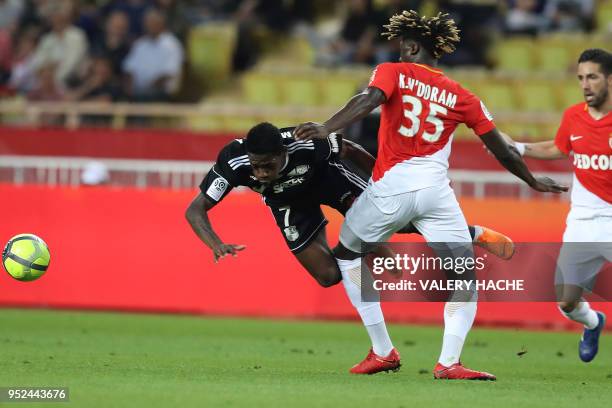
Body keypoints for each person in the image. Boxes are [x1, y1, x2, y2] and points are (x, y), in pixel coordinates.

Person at [294, 10, 567, 380]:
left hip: (392, 187)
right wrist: (532, 181)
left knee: (346, 255)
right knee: (463, 278)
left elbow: (368, 100)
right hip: (437, 193)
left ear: (410, 46)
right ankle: (449, 362)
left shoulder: (392, 71)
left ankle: (382, 350)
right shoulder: (464, 96)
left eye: (400, 45)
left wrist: (326, 127)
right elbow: (501, 149)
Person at [187, 122, 516, 374]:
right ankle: (371, 275)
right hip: (288, 203)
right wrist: (216, 244)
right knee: (329, 275)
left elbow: (350, 149)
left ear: (282, 154)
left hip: (331, 181)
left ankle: (467, 233)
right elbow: (195, 209)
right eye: (256, 168)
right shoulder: (234, 160)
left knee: (392, 222)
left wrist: (383, 186)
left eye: (267, 167)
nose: (260, 173)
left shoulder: (307, 143)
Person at [503, 48, 611, 363]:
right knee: (566, 302)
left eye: (592, 77)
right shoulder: (573, 116)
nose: (585, 84)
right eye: (581, 78)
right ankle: (593, 322)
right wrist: (518, 146)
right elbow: (558, 146)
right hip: (583, 222)